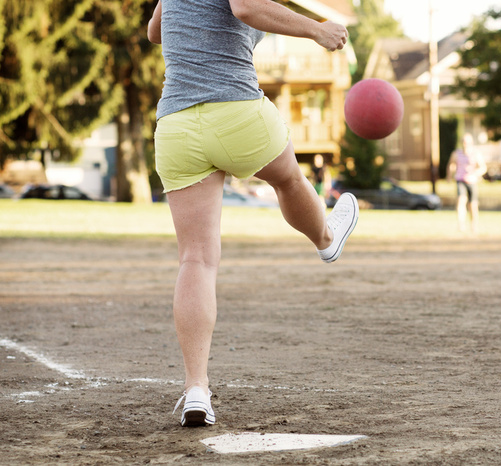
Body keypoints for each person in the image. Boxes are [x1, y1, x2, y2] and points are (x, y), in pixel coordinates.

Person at [147, 0, 359, 427]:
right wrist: (316, 30)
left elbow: (155, 30)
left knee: (197, 260)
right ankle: (325, 239)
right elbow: (245, 6)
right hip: (236, 112)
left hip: (177, 125)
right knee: (291, 181)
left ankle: (196, 390)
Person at [447, 134, 487, 234]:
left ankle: (474, 225)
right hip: (460, 180)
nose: (465, 144)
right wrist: (449, 175)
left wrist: (475, 174)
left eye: (467, 142)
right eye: (464, 142)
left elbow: (483, 168)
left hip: (472, 181)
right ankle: (461, 224)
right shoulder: (457, 153)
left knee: (472, 205)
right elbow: (451, 164)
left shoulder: (475, 153)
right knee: (461, 201)